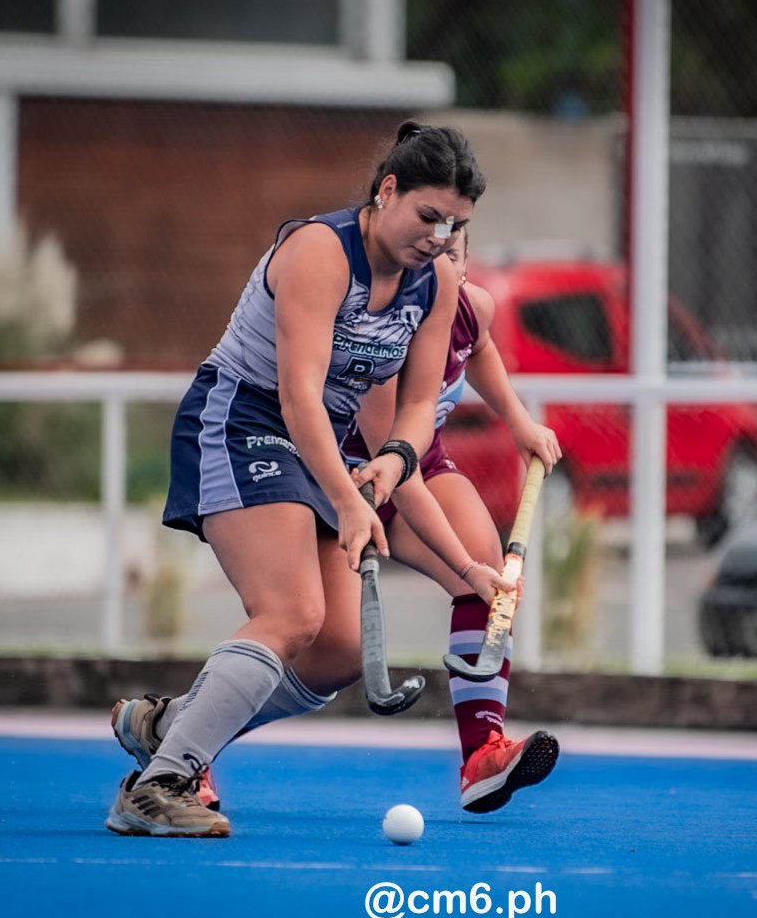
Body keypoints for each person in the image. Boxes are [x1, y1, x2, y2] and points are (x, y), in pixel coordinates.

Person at [105, 121, 504, 838]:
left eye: (456, 224)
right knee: (291, 612)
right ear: (387, 191)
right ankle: (159, 786)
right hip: (240, 418)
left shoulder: (436, 281)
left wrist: (394, 461)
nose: (440, 236)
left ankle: (175, 725)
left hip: (317, 441)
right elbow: (296, 395)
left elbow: (417, 406)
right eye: (427, 215)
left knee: (338, 650)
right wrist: (351, 501)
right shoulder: (320, 251)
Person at [344, 223, 564, 813]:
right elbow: (396, 472)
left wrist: (519, 421)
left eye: (453, 258)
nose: (440, 272)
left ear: (464, 266)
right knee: (306, 636)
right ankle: (184, 741)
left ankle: (481, 756)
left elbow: (481, 347)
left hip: (423, 465)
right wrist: (463, 565)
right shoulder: (384, 344)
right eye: (430, 258)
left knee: (493, 579)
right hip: (346, 479)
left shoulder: (472, 308)